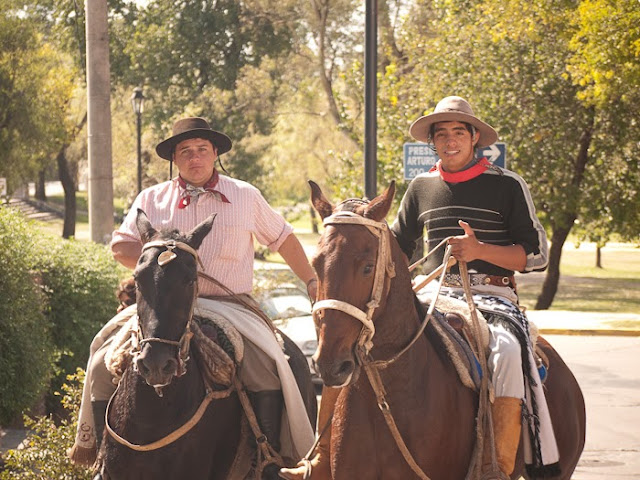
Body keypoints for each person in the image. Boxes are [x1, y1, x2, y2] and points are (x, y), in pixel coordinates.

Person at [281, 96, 559, 480]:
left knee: (508, 353)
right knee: (351, 342)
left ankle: (496, 465)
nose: (450, 141)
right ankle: (322, 456)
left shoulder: (508, 185)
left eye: (458, 132)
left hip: (492, 296)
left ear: (475, 137)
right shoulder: (421, 186)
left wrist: (479, 250)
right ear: (432, 142)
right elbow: (396, 245)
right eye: (441, 134)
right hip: (433, 292)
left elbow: (538, 255)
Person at [69, 117, 318, 479]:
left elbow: (283, 240)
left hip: (229, 305)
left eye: (202, 149)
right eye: (185, 151)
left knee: (277, 362)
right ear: (174, 158)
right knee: (99, 357)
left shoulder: (245, 195)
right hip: (161, 306)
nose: (195, 157)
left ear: (215, 153)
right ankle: (103, 455)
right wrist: (157, 258)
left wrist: (311, 280)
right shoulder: (150, 198)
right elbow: (122, 247)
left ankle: (269, 458)